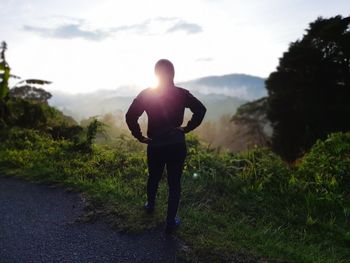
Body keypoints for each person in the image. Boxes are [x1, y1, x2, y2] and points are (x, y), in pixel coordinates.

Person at [125, 59, 206, 233]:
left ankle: (150, 206)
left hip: (155, 145)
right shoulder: (182, 94)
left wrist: (140, 136)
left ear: (155, 74)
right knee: (174, 183)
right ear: (173, 74)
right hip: (177, 144)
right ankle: (170, 222)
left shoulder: (146, 94)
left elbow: (130, 116)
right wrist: (186, 128)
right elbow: (201, 110)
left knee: (153, 176)